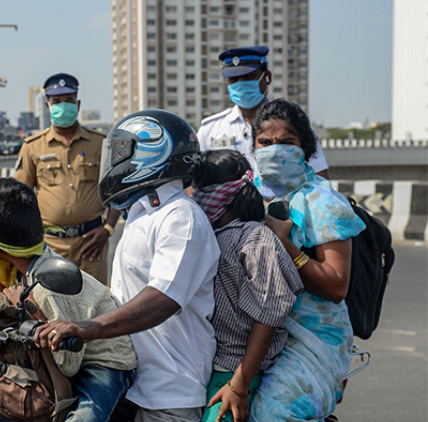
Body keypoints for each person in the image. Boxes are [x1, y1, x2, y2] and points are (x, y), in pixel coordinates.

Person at [35, 110, 221, 422]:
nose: (114, 161)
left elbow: (163, 299)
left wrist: (90, 329)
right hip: (131, 380)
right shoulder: (143, 212)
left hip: (168, 390)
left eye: (121, 152)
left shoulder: (180, 217)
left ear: (152, 152)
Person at [0, 177, 138, 422]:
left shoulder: (48, 287)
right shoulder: (30, 261)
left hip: (106, 361)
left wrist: (27, 309)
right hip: (68, 351)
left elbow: (67, 363)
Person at [246, 99, 365, 421]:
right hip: (250, 331)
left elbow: (336, 286)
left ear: (305, 148)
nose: (274, 150)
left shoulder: (323, 201)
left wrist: (284, 244)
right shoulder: (245, 194)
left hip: (310, 338)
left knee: (273, 412)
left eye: (286, 143)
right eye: (265, 143)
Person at [190, 149, 303, 422]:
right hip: (210, 364)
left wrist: (239, 384)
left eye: (201, 189)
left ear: (223, 194)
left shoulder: (255, 237)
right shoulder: (211, 234)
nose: (194, 197)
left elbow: (269, 314)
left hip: (236, 370)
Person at [14, 73, 120, 284]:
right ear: (47, 106)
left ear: (78, 104)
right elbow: (20, 197)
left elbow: (118, 189)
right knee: (51, 306)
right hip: (49, 244)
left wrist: (107, 229)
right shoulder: (33, 146)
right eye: (57, 102)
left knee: (95, 307)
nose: (64, 106)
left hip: (92, 243)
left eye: (69, 101)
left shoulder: (100, 143)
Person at [197, 46, 330, 179]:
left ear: (267, 77)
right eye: (234, 79)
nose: (241, 83)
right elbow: (195, 183)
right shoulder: (210, 130)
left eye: (249, 76)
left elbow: (319, 177)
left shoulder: (295, 124)